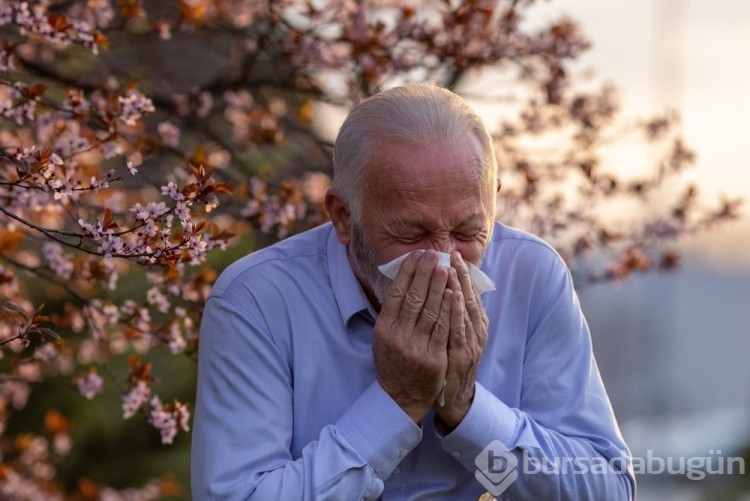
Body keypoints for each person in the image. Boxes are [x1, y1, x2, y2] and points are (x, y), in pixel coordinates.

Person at [191, 84, 636, 500]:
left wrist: (465, 409)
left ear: (493, 201)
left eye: (467, 230)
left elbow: (606, 486)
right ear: (343, 217)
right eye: (411, 233)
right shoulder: (258, 300)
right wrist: (397, 402)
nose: (445, 259)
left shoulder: (531, 275)